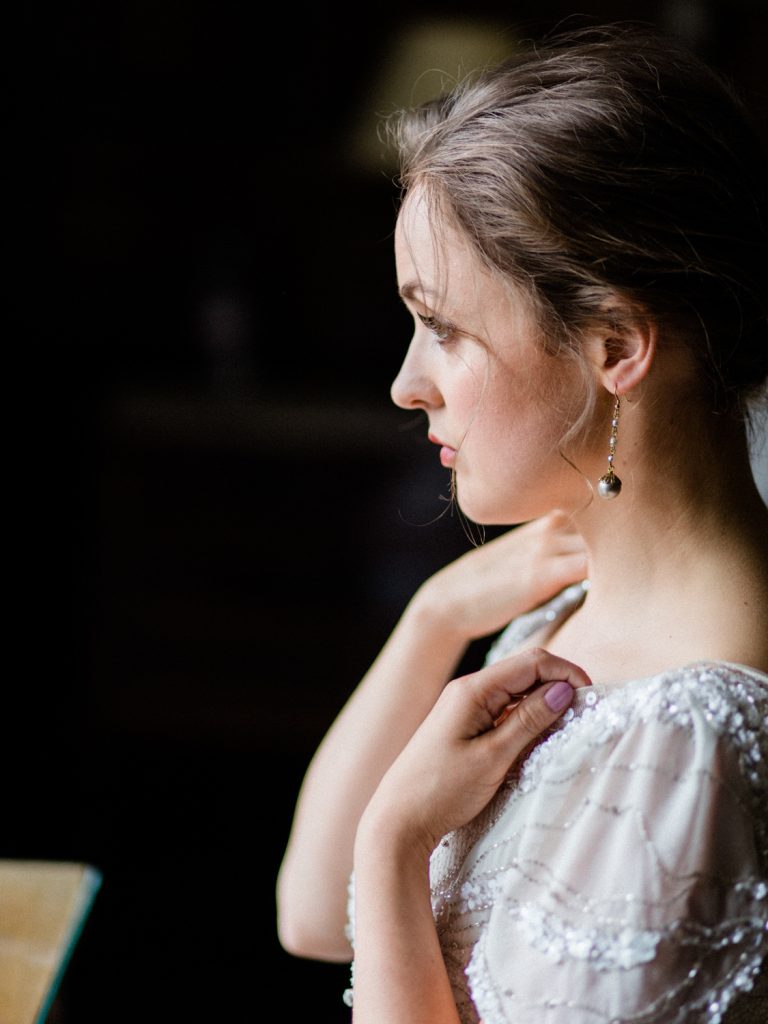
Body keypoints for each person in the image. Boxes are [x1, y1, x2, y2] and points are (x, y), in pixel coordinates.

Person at [276, 23, 768, 1023]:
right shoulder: (576, 603)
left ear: (617, 343)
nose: (408, 385)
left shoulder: (692, 742)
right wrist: (434, 617)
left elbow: (349, 905)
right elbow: (316, 915)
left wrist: (399, 840)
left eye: (447, 327)